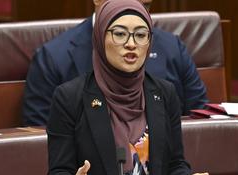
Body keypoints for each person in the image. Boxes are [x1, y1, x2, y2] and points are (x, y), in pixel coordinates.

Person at [44, 0, 214, 175]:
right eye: (120, 33)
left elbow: (174, 165)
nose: (131, 43)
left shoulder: (163, 94)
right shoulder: (71, 97)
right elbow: (57, 174)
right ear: (101, 37)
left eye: (141, 35)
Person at [22, 0, 207, 126]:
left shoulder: (172, 48)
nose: (137, 11)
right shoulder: (54, 58)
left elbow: (201, 119)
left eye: (145, 5)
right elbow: (41, 138)